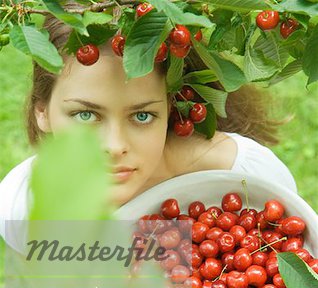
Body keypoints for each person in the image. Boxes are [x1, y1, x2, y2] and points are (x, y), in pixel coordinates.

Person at [0, 5, 297, 249]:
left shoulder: (249, 181)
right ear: (43, 112)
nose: (114, 146)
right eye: (86, 116)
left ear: (171, 107)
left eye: (142, 116)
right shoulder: (25, 208)